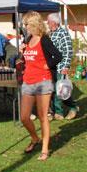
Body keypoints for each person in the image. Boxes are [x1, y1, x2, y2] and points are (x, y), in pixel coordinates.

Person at [19, 11, 62, 161]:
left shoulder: (44, 40)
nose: (25, 27)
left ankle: (45, 149)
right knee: (24, 117)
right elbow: (28, 59)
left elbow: (58, 56)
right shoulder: (28, 38)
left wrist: (47, 65)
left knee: (43, 116)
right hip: (28, 81)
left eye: (26, 24)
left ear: (34, 24)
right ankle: (35, 138)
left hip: (43, 81)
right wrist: (22, 53)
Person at [47, 13, 79, 120]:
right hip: (52, 66)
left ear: (53, 23)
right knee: (55, 89)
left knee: (60, 90)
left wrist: (65, 67)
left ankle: (65, 110)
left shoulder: (63, 33)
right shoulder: (50, 33)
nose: (47, 23)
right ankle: (58, 110)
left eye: (48, 21)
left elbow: (68, 51)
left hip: (60, 66)